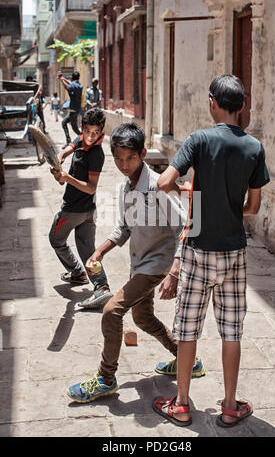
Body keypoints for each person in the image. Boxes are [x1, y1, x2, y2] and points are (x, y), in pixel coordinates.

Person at [152, 75, 270, 428]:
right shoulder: (254, 147)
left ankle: (182, 403)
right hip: (234, 251)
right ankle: (231, 405)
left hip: (198, 248)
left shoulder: (200, 140)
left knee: (188, 329)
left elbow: (162, 181)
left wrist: (188, 190)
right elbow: (252, 207)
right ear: (242, 107)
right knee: (231, 331)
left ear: (212, 103)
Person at [67, 123, 205, 403]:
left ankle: (105, 378)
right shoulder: (124, 187)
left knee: (111, 311)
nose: (124, 164)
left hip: (158, 266)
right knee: (142, 318)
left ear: (142, 154)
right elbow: (124, 228)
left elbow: (187, 225)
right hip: (139, 263)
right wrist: (100, 251)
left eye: (130, 158)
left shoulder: (158, 186)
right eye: (118, 158)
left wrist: (175, 272)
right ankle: (186, 359)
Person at [49, 107, 113, 308]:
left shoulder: (96, 154)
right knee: (87, 251)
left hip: (73, 210)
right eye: (87, 131)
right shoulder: (80, 141)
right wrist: (58, 159)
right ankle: (101, 287)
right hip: (87, 212)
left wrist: (66, 177)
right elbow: (68, 148)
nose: (91, 137)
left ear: (101, 133)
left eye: (96, 133)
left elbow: (91, 187)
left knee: (56, 239)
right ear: (82, 128)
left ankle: (77, 272)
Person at [58, 70, 83, 148]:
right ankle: (70, 140)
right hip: (77, 108)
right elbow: (71, 84)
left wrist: (62, 81)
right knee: (65, 123)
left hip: (73, 108)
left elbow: (68, 87)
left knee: (74, 127)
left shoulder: (72, 85)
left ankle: (83, 139)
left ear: (72, 77)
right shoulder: (80, 85)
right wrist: (64, 79)